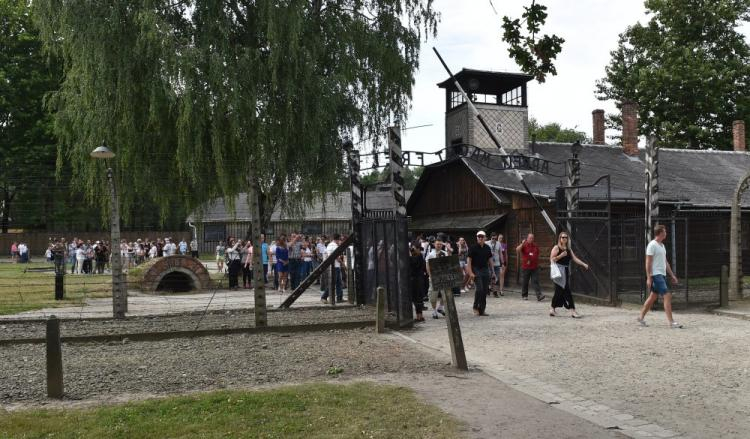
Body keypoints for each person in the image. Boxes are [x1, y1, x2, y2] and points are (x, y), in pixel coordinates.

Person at [638, 224, 683, 328]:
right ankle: (671, 322)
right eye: (665, 231)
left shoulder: (662, 246)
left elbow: (665, 262)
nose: (666, 233)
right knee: (667, 295)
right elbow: (648, 262)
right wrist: (649, 277)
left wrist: (672, 275)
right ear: (660, 233)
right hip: (656, 274)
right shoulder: (652, 245)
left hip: (661, 274)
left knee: (653, 296)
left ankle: (641, 317)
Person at [549, 232, 589, 318]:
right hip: (559, 272)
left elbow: (575, 259)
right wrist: (561, 255)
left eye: (566, 237)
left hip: (565, 271)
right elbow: (552, 259)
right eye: (562, 237)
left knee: (559, 291)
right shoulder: (556, 247)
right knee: (566, 290)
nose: (564, 239)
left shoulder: (569, 249)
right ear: (559, 238)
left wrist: (583, 264)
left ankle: (552, 309)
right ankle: (572, 311)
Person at [467, 231, 495, 316]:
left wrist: (493, 272)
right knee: (479, 289)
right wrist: (470, 272)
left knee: (485, 290)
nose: (480, 238)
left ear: (485, 238)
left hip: (485, 269)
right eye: (479, 237)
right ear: (477, 238)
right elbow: (469, 260)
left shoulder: (487, 248)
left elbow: (490, 260)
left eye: (482, 237)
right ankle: (475, 307)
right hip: (476, 269)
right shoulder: (473, 247)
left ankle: (482, 310)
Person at [516, 233, 546, 301]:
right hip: (526, 267)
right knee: (525, 281)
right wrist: (522, 244)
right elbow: (517, 250)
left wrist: (538, 263)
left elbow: (537, 255)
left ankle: (539, 295)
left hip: (534, 267)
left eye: (532, 238)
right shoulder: (524, 245)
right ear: (527, 238)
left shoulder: (535, 246)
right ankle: (524, 295)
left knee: (535, 281)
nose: (531, 239)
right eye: (530, 238)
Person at [425, 237, 448, 319]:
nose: (439, 245)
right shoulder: (431, 254)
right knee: (433, 295)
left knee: (445, 293)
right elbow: (427, 266)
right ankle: (434, 311)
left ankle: (440, 307)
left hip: (443, 277)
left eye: (440, 244)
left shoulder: (445, 253)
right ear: (434, 244)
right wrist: (431, 276)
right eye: (437, 244)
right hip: (434, 277)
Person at [409, 244, 427, 322]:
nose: (413, 250)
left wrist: (409, 256)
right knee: (417, 299)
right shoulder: (419, 257)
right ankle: (420, 316)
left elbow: (414, 265)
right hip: (418, 280)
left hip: (416, 280)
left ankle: (419, 316)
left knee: (417, 299)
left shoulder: (419, 257)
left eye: (415, 249)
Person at [489, 233, 504, 297]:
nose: (494, 240)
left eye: (495, 238)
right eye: (493, 238)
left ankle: (495, 292)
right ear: (491, 238)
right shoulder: (487, 243)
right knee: (489, 277)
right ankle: (488, 288)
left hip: (497, 263)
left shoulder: (498, 244)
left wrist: (502, 263)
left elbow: (500, 253)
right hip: (489, 263)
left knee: (496, 278)